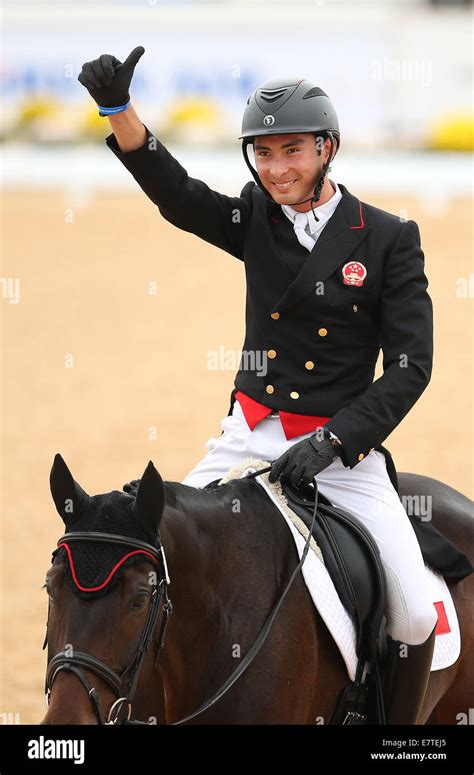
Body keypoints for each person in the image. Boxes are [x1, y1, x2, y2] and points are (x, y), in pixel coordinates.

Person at [78, 47, 438, 724]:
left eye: (292, 151)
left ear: (328, 147)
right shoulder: (255, 218)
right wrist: (120, 113)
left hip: (338, 448)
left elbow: (412, 367)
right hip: (246, 434)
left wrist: (336, 439)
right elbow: (180, 197)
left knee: (416, 612)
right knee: (155, 560)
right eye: (262, 155)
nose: (276, 170)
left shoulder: (388, 239)